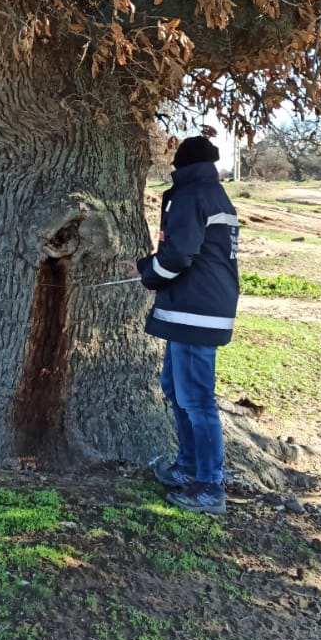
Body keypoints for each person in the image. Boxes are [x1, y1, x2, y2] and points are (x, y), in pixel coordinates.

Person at [126, 136, 239, 515]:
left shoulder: (190, 195)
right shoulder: (212, 193)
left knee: (197, 399)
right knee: (175, 388)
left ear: (181, 165)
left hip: (196, 311)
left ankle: (209, 484)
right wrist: (146, 267)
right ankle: (188, 466)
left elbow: (179, 255)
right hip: (194, 308)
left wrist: (149, 276)